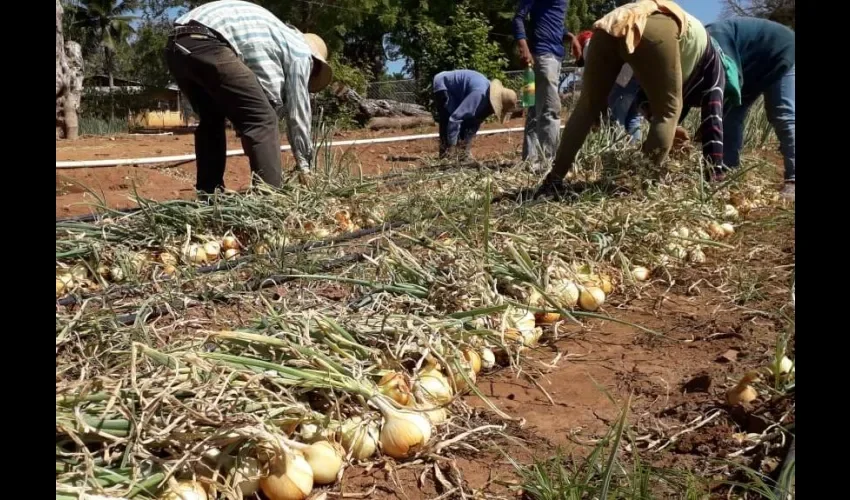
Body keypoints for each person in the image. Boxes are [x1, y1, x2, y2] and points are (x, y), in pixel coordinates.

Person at [542, 0, 725, 191]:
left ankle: (553, 179)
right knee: (670, 111)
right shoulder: (716, 67)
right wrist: (716, 174)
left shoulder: (692, 46)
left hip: (610, 23)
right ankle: (641, 184)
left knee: (586, 107)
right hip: (652, 24)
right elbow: (713, 117)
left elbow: (644, 92)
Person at [164, 0, 333, 195]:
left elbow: (253, 91)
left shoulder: (275, 37)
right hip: (209, 42)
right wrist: (305, 165)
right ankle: (270, 199)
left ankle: (209, 195)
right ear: (315, 62)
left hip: (177, 45)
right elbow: (298, 113)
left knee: (212, 120)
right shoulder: (301, 53)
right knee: (263, 120)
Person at [706, 17, 795, 201]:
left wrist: (709, 122)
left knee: (783, 114)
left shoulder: (714, 38)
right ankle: (728, 170)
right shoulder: (698, 49)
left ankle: (793, 179)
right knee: (729, 116)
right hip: (752, 69)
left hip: (780, 50)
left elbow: (730, 77)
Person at [513, 0, 569, 170]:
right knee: (550, 110)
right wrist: (524, 48)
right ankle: (549, 163)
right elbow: (518, 17)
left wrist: (570, 36)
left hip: (554, 56)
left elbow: (551, 22)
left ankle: (530, 160)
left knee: (534, 109)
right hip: (542, 56)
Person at [570, 30, 643, 142]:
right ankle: (636, 153)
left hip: (622, 79)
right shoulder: (601, 42)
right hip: (636, 74)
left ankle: (618, 153)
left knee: (615, 120)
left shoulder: (588, 47)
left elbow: (594, 79)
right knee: (633, 118)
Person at [433, 70, 518, 161]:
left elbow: (473, 124)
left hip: (460, 90)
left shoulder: (485, 100)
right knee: (447, 121)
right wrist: (452, 145)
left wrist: (465, 149)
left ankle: (461, 155)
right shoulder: (479, 95)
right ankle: (446, 157)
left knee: (468, 121)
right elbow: (455, 118)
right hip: (444, 85)